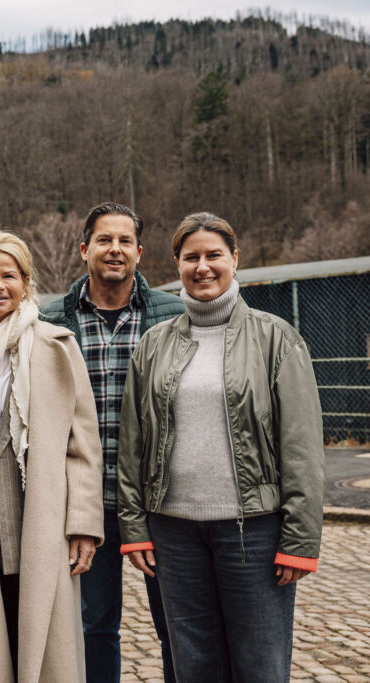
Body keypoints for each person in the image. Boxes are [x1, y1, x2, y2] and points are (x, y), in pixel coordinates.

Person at [118, 212, 324, 682]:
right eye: (191, 257)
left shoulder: (276, 338)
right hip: (174, 533)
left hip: (253, 530)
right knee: (193, 665)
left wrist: (300, 539)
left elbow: (303, 446)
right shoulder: (153, 345)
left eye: (214, 255)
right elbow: (133, 445)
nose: (203, 266)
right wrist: (134, 527)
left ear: (235, 259)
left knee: (260, 665)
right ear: (177, 263)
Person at [39, 202, 182, 681]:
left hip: (160, 502)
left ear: (140, 252)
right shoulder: (50, 319)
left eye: (124, 241)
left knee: (177, 626)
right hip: (86, 505)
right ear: (84, 250)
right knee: (94, 627)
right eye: (104, 240)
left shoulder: (173, 314)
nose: (114, 249)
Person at [0, 231, 104, 682]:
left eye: (9, 275)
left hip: (37, 505)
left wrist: (82, 524)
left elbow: (83, 446)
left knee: (41, 625)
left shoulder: (56, 346)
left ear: (26, 282)